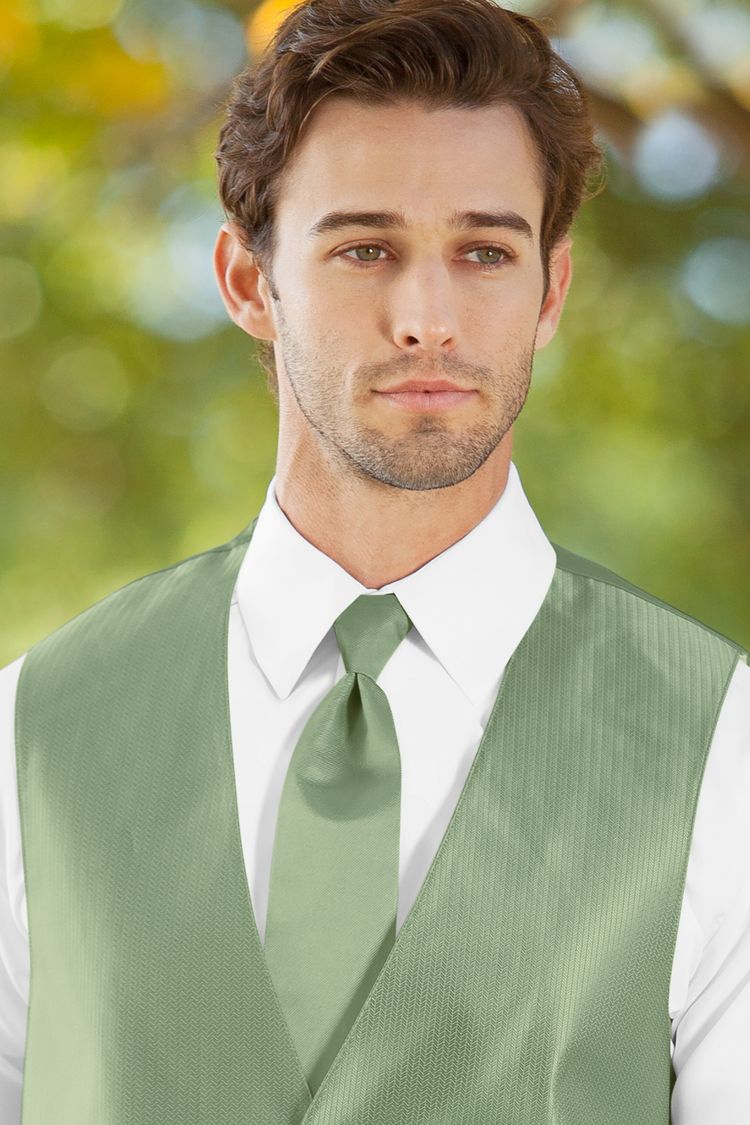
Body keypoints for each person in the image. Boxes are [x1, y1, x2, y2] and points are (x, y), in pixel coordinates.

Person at [0, 0, 748, 1121]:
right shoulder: (30, 736)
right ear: (248, 283)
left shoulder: (726, 750)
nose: (426, 317)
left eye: (485, 252)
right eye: (365, 248)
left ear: (550, 291)